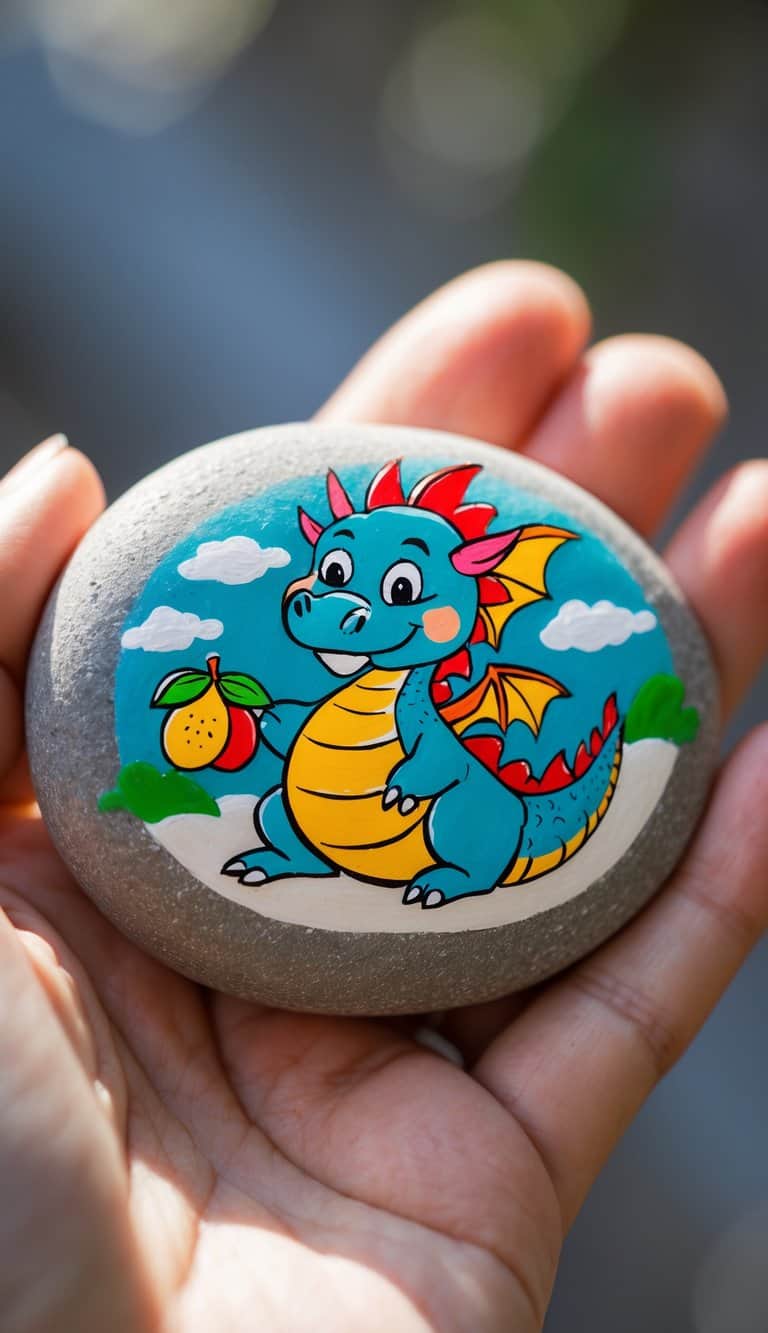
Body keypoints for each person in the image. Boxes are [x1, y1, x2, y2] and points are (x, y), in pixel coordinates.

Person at [0, 261, 766, 1333]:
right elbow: (298, 739)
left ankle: (444, 862)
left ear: (454, 615)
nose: (328, 603)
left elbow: (433, 760)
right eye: (328, 581)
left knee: (433, 814)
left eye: (389, 593)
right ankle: (322, 852)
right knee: (289, 810)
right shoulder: (324, 680)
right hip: (325, 846)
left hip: (454, 823)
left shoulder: (436, 708)